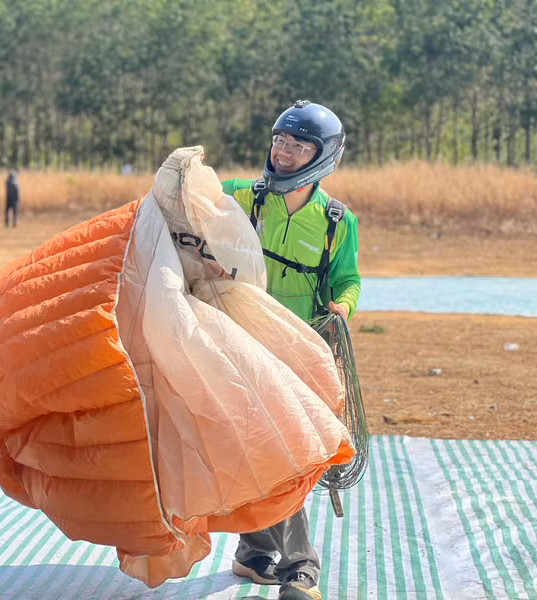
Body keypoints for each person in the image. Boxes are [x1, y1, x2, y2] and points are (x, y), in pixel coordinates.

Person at [221, 100, 361, 600]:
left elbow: (347, 279)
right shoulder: (238, 197)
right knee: (261, 448)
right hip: (238, 345)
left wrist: (341, 309)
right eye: (280, 140)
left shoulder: (338, 221)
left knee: (287, 452)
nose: (283, 152)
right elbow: (184, 208)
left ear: (322, 156)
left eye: (299, 146)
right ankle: (275, 557)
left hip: (300, 352)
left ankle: (274, 556)